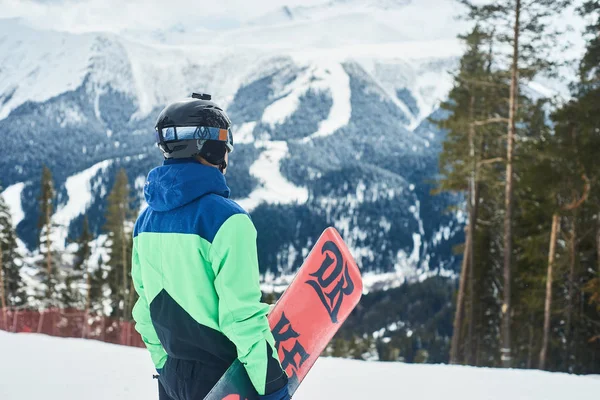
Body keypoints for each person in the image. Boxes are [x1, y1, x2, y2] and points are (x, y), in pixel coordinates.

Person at [131, 93, 290, 400]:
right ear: (214, 149)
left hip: (172, 379)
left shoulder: (145, 222)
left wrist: (165, 366)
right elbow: (240, 315)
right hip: (224, 380)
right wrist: (272, 385)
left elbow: (145, 309)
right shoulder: (227, 220)